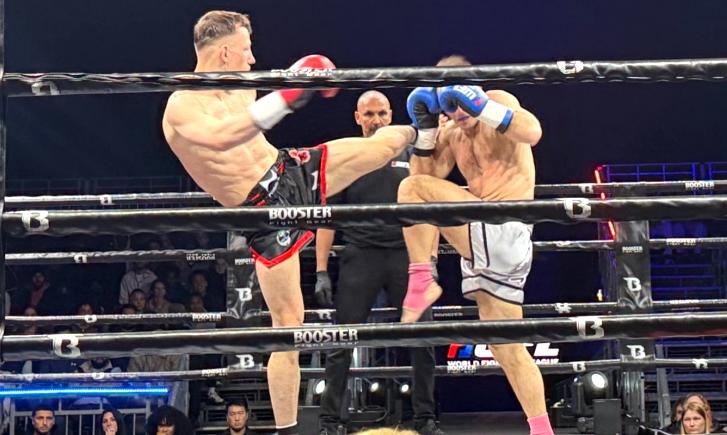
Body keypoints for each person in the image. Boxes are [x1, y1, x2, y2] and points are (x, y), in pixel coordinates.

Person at [161, 10, 415, 434]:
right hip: (261, 209)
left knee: (380, 149)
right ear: (224, 52)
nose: (251, 58)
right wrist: (289, 93)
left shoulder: (243, 84)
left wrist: (299, 79)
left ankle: (425, 125)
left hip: (288, 169)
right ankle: (287, 430)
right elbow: (225, 137)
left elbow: (258, 120)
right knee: (288, 327)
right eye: (245, 49)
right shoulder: (182, 105)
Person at [397, 55, 550, 435]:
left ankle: (422, 276)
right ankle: (542, 429)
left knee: (411, 189)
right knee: (506, 346)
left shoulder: (498, 101)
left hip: (503, 227)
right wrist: (427, 131)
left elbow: (532, 132)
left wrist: (482, 106)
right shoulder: (451, 131)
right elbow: (424, 178)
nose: (457, 112)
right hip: (489, 238)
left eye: (460, 99)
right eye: (448, 105)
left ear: (471, 88)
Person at [315, 91, 442, 435]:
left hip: (408, 256)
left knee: (423, 339)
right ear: (358, 118)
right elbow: (327, 218)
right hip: (361, 254)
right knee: (342, 340)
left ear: (391, 114)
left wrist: (430, 259)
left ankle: (425, 418)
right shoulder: (348, 157)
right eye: (369, 114)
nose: (377, 120)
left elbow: (430, 208)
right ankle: (330, 422)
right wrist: (321, 271)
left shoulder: (411, 153)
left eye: (382, 113)